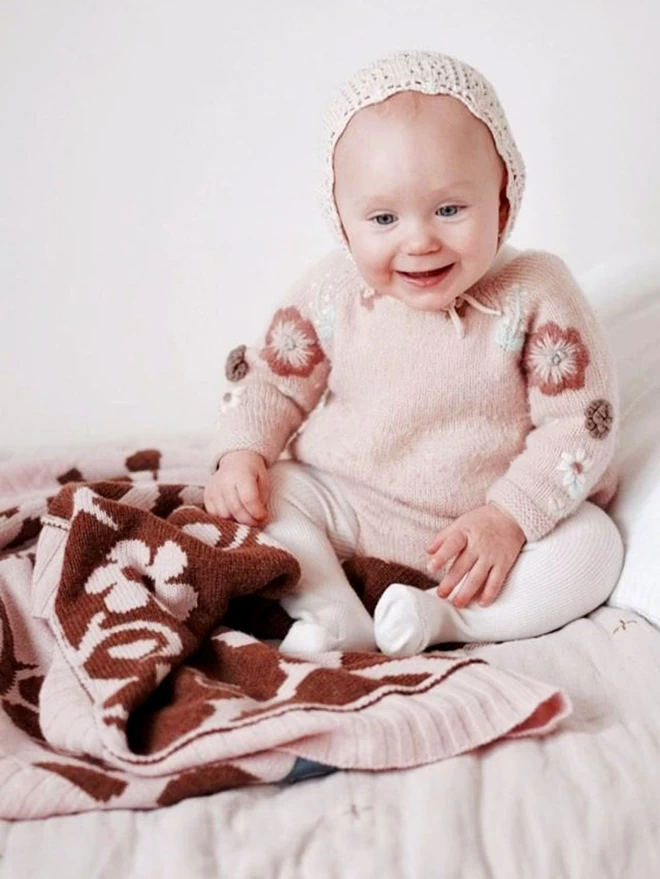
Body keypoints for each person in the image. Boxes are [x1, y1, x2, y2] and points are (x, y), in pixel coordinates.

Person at [204, 50, 624, 658]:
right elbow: (274, 377)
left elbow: (577, 425)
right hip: (352, 503)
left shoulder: (535, 292)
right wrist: (242, 452)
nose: (420, 240)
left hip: (485, 524)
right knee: (268, 493)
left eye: (450, 209)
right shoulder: (333, 290)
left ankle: (443, 620)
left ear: (503, 202)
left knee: (594, 548)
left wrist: (510, 517)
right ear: (344, 225)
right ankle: (334, 608)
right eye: (383, 217)